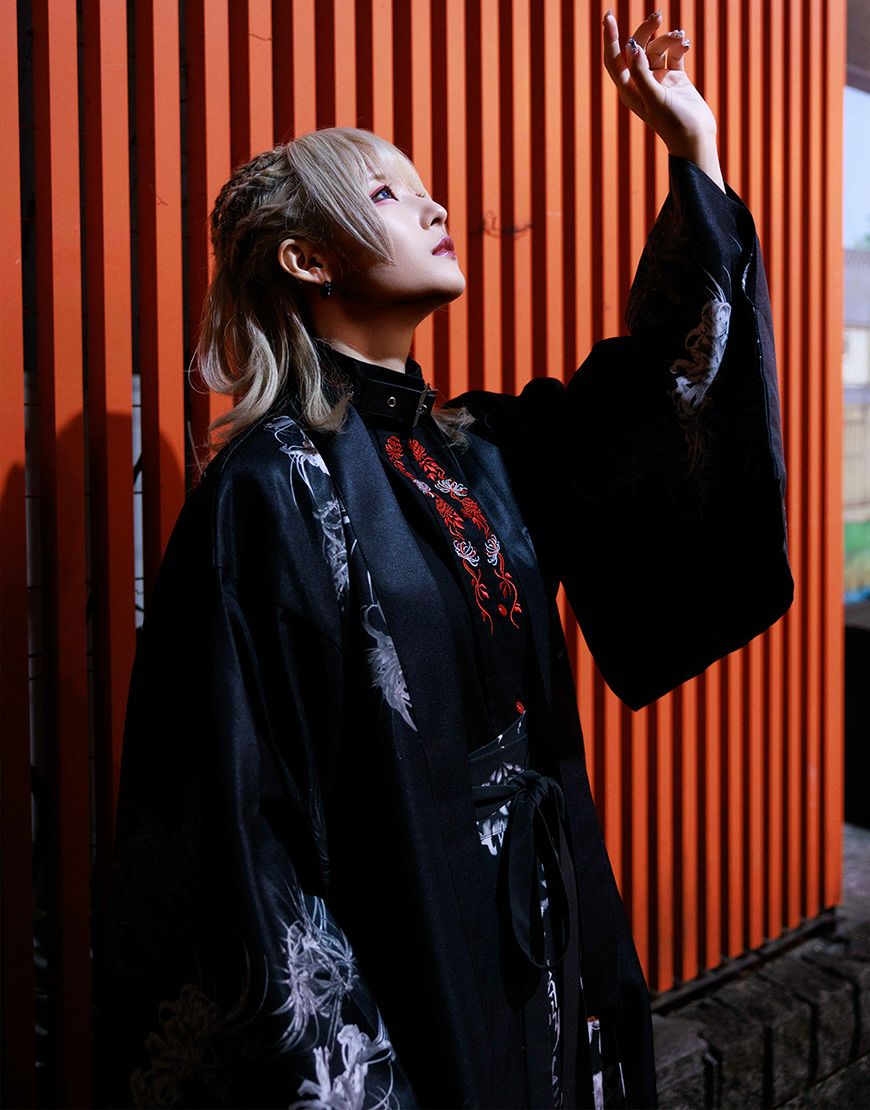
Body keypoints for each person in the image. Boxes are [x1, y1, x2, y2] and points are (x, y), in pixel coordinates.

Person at [95, 10, 792, 1110]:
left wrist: (692, 149)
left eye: (425, 190)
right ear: (308, 258)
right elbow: (240, 824)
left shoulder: (481, 448)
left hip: (545, 936)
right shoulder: (269, 492)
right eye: (386, 194)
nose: (435, 207)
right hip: (413, 949)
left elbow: (664, 401)